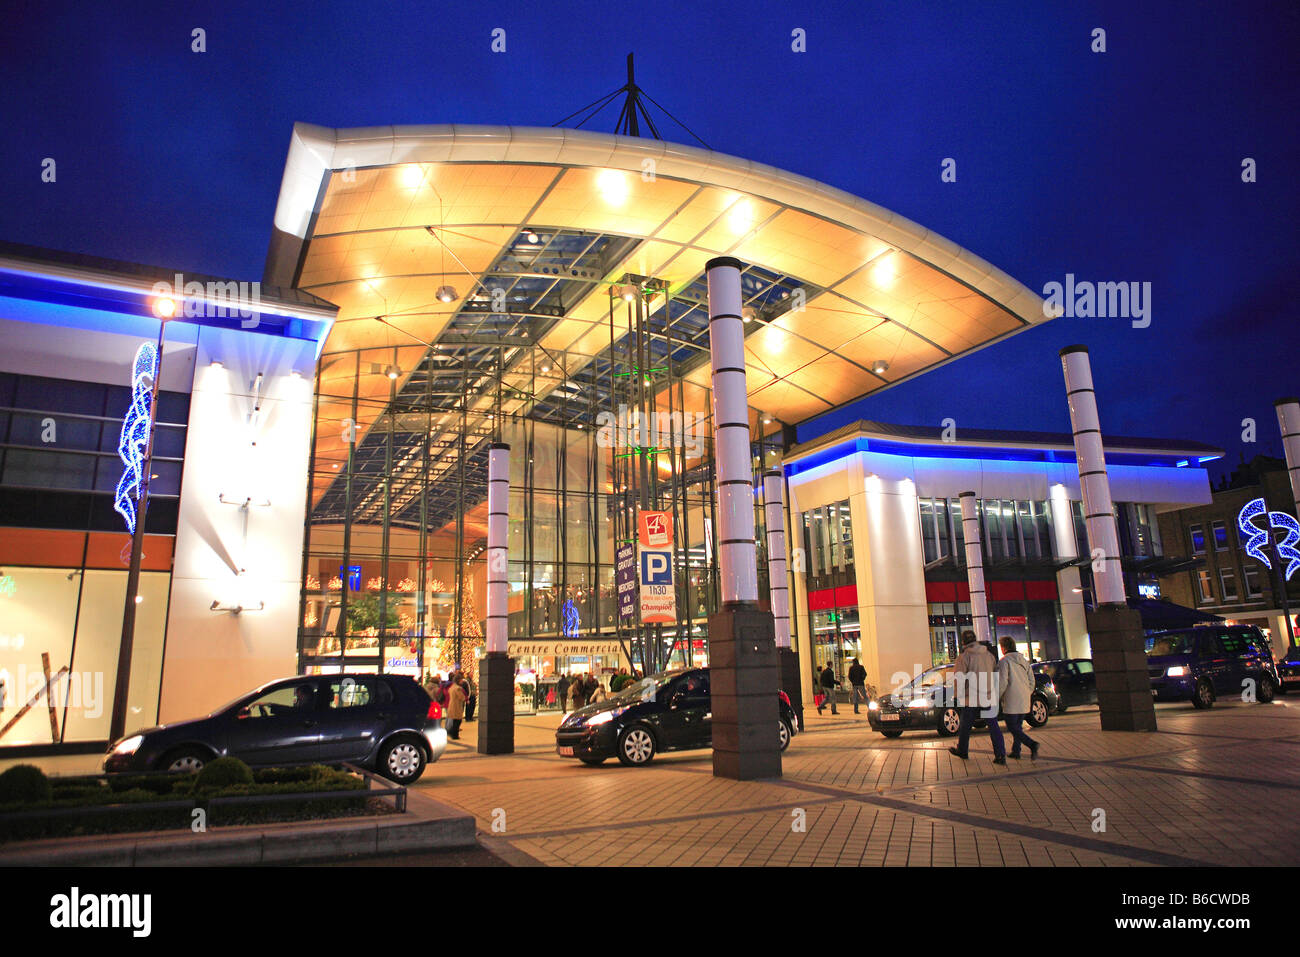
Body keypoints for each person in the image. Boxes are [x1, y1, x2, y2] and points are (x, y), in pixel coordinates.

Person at [949, 631, 1006, 764]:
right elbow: (995, 673)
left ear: (963, 642)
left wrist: (958, 696)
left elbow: (960, 678)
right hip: (987, 695)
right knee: (993, 725)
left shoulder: (964, 657)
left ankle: (963, 750)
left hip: (972, 697)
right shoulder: (988, 655)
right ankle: (1000, 754)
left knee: (965, 725)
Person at [997, 635, 1040, 760]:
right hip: (1024, 699)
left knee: (1012, 727)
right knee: (1018, 726)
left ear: (1004, 647)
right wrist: (1028, 692)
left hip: (1011, 699)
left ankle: (1032, 744)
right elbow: (1032, 680)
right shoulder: (1023, 660)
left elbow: (1003, 682)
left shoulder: (1004, 661)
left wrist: (998, 696)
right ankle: (1016, 751)